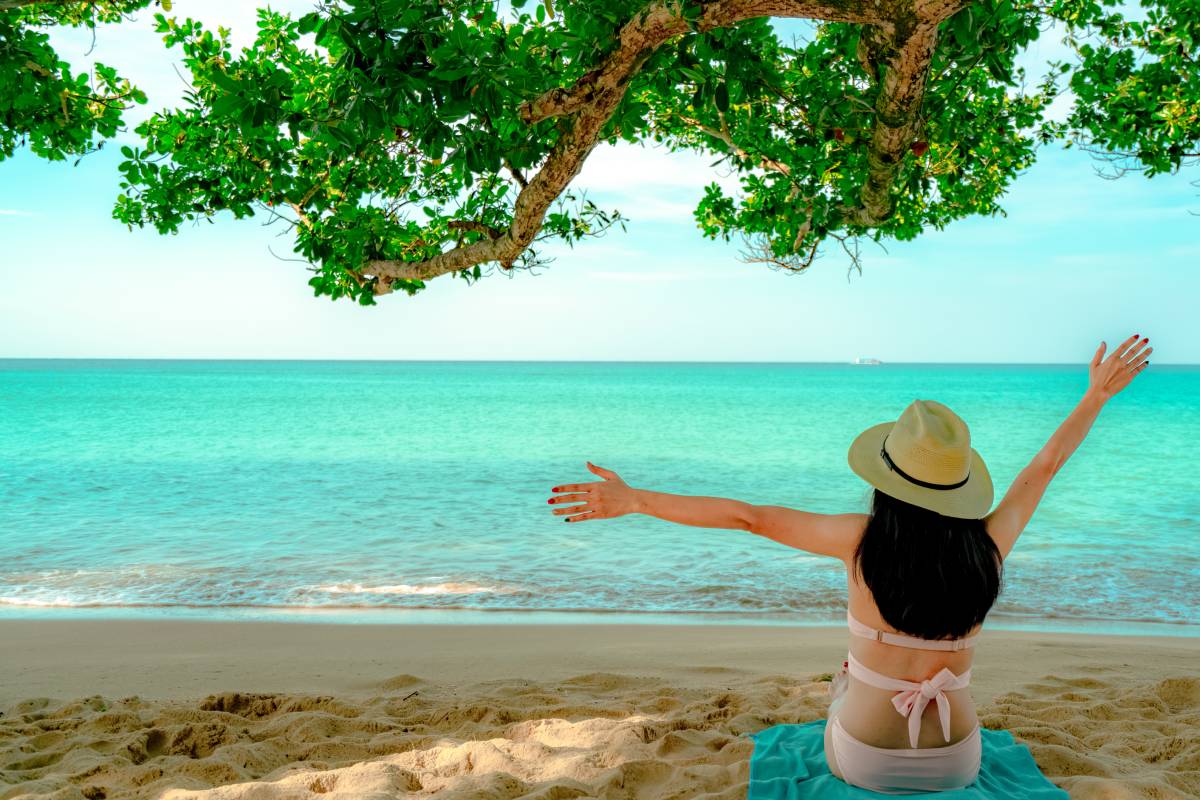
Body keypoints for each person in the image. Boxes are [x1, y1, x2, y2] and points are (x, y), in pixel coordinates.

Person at [547, 334, 1151, 794]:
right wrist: (1095, 395)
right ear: (959, 486)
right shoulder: (987, 546)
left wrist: (635, 500)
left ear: (887, 480)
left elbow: (748, 517)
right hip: (958, 762)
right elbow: (1042, 467)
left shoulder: (860, 540)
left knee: (843, 686)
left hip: (865, 758)